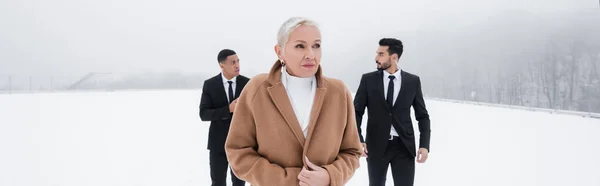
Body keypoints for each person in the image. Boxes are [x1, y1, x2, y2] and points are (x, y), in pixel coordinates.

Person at [224, 17, 362, 186]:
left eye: (316, 46)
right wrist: (287, 180)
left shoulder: (338, 92)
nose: (311, 54)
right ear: (279, 51)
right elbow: (238, 151)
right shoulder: (256, 89)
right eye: (300, 46)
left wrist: (330, 176)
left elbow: (352, 151)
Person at [353, 38, 431, 186]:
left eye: (381, 54)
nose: (376, 58)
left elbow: (422, 116)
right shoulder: (368, 80)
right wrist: (359, 139)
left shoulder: (412, 81)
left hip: (404, 146)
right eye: (377, 53)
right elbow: (356, 112)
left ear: (394, 57)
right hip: (375, 146)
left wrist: (424, 145)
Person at [199, 49, 249, 186]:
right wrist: (228, 110)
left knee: (239, 183)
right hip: (217, 144)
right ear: (222, 65)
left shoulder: (247, 84)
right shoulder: (210, 85)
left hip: (241, 145)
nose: (237, 65)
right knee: (218, 182)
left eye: (238, 61)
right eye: (233, 62)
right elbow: (204, 114)